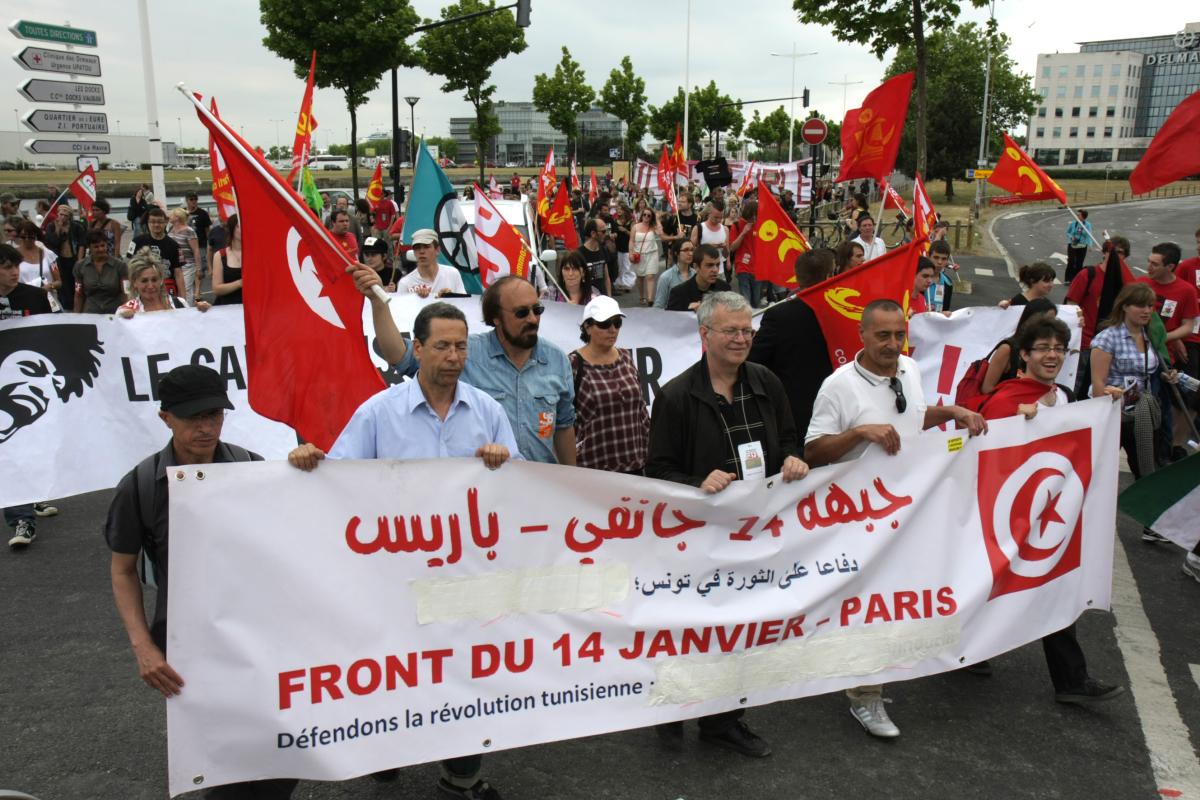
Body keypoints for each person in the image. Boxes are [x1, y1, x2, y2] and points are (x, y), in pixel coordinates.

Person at [104, 365, 299, 800]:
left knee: (282, 749)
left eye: (215, 414)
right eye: (193, 417)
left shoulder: (251, 468)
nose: (206, 427)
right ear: (165, 417)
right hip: (186, 642)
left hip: (257, 635)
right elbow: (122, 570)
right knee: (223, 759)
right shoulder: (140, 485)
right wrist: (143, 648)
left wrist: (306, 470)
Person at [805, 299, 986, 739]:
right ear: (862, 336)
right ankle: (865, 696)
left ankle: (882, 673)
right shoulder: (839, 386)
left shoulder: (909, 368)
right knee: (869, 606)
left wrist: (953, 413)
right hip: (857, 519)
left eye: (898, 334)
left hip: (907, 511)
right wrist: (858, 433)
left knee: (901, 596)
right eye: (882, 335)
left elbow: (913, 418)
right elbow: (812, 451)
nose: (891, 344)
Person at [646, 291, 809, 759]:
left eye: (747, 331)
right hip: (698, 539)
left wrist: (793, 459)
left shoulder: (766, 383)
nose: (742, 339)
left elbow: (789, 438)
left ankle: (723, 721)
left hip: (753, 535)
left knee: (737, 631)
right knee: (688, 628)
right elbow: (656, 473)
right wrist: (697, 481)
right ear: (704, 335)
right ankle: (671, 711)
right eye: (731, 331)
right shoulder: (677, 397)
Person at [968, 316, 1126, 704]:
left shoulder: (1064, 397)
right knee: (990, 584)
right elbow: (983, 453)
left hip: (1046, 515)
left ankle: (1072, 680)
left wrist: (1106, 407)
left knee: (1053, 584)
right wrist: (1017, 427)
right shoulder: (1008, 399)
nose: (1052, 355)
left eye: (1059, 348)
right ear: (1024, 355)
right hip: (1003, 515)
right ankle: (965, 649)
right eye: (1043, 348)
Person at [461, 276, 576, 465]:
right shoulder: (466, 354)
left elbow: (564, 426)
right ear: (496, 318)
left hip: (542, 484)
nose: (532, 319)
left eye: (537, 310)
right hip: (487, 485)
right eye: (522, 313)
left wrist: (573, 479)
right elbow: (406, 358)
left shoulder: (557, 360)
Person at [1091, 282, 1179, 481]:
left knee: (1147, 471)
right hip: (1113, 413)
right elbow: (1098, 383)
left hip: (1141, 413)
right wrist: (1106, 401)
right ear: (1124, 306)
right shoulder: (1108, 338)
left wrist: (1166, 376)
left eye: (1150, 306)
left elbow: (1148, 371)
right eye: (1141, 305)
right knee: (1100, 471)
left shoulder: (1149, 335)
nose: (1147, 310)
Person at [748, 248, 836, 441]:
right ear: (830, 276)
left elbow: (754, 360)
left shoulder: (779, 315)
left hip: (795, 411)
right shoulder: (843, 313)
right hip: (828, 408)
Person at [568, 295, 649, 473]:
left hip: (635, 464)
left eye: (617, 323)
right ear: (587, 327)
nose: (612, 330)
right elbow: (563, 418)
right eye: (605, 324)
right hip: (594, 468)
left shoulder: (626, 357)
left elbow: (641, 411)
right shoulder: (573, 364)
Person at [1066, 235, 1131, 398]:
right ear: (1104, 252)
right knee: (1077, 392)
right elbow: (1071, 305)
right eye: (1113, 251)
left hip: (1111, 348)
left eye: (1121, 253)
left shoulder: (1125, 282)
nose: (1117, 256)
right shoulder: (1088, 275)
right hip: (1086, 344)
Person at [980, 298, 1058, 394]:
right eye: (1047, 321)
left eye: (1053, 321)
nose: (1051, 326)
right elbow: (987, 389)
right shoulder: (1007, 349)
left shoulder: (1048, 351)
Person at [117, 251, 211, 316]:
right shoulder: (125, 310)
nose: (150, 286)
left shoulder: (179, 303)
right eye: (144, 281)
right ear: (134, 283)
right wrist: (121, 320)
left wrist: (203, 312)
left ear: (161, 280)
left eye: (154, 280)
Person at [130, 207, 184, 299]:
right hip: (144, 288)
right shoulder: (137, 242)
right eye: (153, 222)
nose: (156, 225)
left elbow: (178, 273)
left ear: (165, 222)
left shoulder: (174, 245)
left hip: (167, 288)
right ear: (148, 222)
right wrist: (130, 295)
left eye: (159, 222)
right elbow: (130, 269)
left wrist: (183, 298)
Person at [43, 203, 88, 310]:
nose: (62, 217)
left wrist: (79, 260)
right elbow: (52, 243)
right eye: (60, 214)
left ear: (70, 217)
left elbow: (82, 244)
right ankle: (67, 306)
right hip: (60, 260)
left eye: (65, 215)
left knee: (77, 282)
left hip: (73, 258)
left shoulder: (76, 227)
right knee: (64, 284)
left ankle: (79, 304)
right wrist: (58, 230)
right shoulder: (51, 226)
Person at [397, 228, 465, 297]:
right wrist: (417, 299)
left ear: (437, 250)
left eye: (426, 247)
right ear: (414, 252)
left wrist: (449, 297)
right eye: (417, 248)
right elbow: (402, 306)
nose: (421, 251)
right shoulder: (405, 283)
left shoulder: (452, 274)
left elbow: (463, 303)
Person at [73, 231, 129, 314]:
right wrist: (76, 316)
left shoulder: (120, 266)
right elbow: (78, 294)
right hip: (90, 312)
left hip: (115, 312)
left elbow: (126, 292)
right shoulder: (80, 266)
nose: (101, 249)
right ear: (89, 248)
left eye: (103, 245)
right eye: (96, 247)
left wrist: (126, 311)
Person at [667, 244, 731, 312]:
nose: (715, 270)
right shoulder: (679, 293)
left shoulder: (725, 289)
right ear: (696, 267)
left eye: (717, 265)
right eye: (709, 265)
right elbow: (671, 320)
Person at [12, 220, 61, 308]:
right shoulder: (13, 256)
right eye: (23, 237)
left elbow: (59, 282)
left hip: (47, 301)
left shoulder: (48, 254)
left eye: (30, 237)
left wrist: (50, 286)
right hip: (24, 301)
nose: (27, 239)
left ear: (36, 235)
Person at [729, 200, 761, 307]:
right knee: (746, 302)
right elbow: (732, 247)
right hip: (743, 267)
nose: (755, 218)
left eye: (757, 215)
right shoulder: (737, 225)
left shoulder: (760, 225)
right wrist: (743, 233)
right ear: (748, 213)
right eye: (753, 215)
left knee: (756, 302)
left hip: (757, 269)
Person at [630, 207, 663, 307]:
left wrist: (657, 219)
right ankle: (641, 296)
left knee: (650, 276)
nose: (646, 217)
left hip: (652, 253)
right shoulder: (635, 227)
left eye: (649, 215)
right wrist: (630, 253)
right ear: (642, 215)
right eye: (644, 215)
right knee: (640, 277)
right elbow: (631, 241)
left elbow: (660, 233)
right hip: (639, 255)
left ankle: (650, 299)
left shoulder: (653, 227)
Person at [168, 208, 202, 304]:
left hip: (188, 265)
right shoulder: (171, 229)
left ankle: (188, 308)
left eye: (172, 215)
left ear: (177, 218)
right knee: (176, 289)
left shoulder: (189, 231)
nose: (169, 217)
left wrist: (199, 269)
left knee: (186, 289)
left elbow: (196, 250)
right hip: (174, 265)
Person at [691, 199, 729, 278]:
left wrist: (724, 247)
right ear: (709, 213)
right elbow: (691, 251)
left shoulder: (725, 229)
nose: (718, 220)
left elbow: (726, 255)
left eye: (720, 217)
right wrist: (707, 247)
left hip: (719, 272)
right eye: (715, 217)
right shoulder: (699, 228)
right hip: (702, 273)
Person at [577, 217, 615, 297]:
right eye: (603, 231)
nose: (606, 234)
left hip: (602, 297)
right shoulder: (579, 254)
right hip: (587, 299)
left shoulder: (603, 250)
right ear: (593, 233)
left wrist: (609, 297)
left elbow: (606, 278)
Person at [212, 213, 243, 306]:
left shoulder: (256, 254)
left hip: (252, 307)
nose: (242, 228)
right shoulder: (220, 255)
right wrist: (239, 283)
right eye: (238, 226)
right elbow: (216, 289)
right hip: (228, 309)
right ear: (231, 229)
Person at [655, 239, 696, 309]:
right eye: (686, 250)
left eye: (692, 250)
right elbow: (659, 305)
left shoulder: (695, 274)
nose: (690, 253)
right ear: (676, 253)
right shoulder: (666, 277)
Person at [184, 193, 213, 278]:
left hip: (201, 244)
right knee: (187, 267)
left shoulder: (203, 213)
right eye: (191, 199)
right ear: (187, 200)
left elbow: (207, 230)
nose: (194, 201)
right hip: (186, 245)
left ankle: (197, 289)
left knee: (200, 268)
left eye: (195, 199)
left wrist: (209, 243)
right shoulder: (183, 213)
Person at [924, 239, 955, 312]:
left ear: (947, 260)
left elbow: (946, 309)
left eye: (944, 259)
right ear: (928, 256)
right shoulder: (919, 279)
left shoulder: (948, 283)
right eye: (936, 257)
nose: (939, 262)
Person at [1065, 210, 1092, 283]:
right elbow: (1067, 232)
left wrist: (1090, 245)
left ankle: (1077, 279)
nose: (1077, 216)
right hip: (1072, 244)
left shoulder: (1087, 225)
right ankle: (1068, 279)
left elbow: (1089, 236)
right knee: (1071, 261)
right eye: (1077, 215)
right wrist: (1071, 237)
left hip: (1082, 245)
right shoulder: (1073, 223)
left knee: (1079, 263)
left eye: (1079, 215)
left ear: (1083, 217)